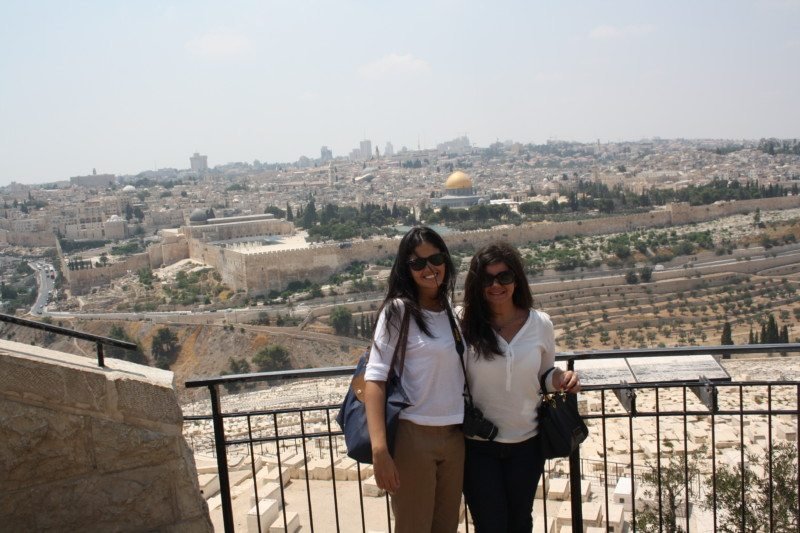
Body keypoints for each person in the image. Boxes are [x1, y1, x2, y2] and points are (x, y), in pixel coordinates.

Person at [460, 242, 580, 532]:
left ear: (516, 280)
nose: (496, 285)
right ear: (477, 284)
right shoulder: (462, 322)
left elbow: (545, 374)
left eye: (504, 277)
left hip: (526, 444)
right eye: (487, 279)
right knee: (490, 525)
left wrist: (562, 379)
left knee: (520, 522)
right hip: (478, 446)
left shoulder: (540, 324)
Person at [364, 226, 466, 532]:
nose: (428, 268)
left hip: (455, 438)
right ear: (405, 269)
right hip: (414, 438)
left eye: (434, 258)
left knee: (446, 527)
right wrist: (380, 450)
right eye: (417, 263)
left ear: (445, 260)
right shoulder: (398, 311)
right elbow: (375, 379)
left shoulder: (452, 312)